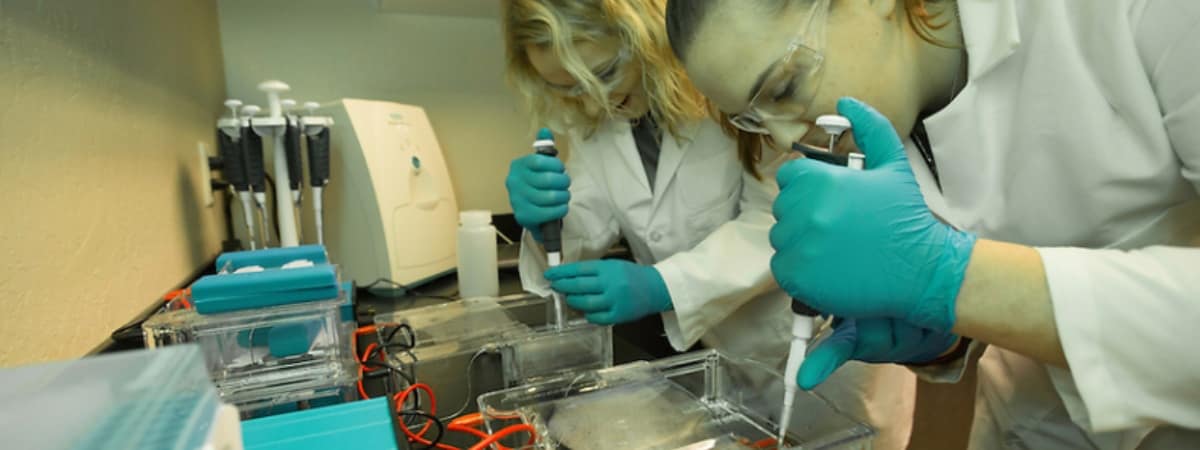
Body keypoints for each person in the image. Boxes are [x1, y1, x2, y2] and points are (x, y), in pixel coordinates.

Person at [664, 0, 1200, 448]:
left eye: (782, 89)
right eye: (754, 121)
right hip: (1033, 427)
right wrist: (945, 342)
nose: (784, 142)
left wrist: (952, 280)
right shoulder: (890, 109)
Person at [500, 1, 919, 448]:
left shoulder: (733, 92)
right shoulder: (598, 124)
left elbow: (781, 219)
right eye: (565, 87)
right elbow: (585, 225)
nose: (591, 102)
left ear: (648, 38)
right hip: (727, 364)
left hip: (825, 347)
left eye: (602, 75)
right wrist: (549, 219)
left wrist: (664, 284)